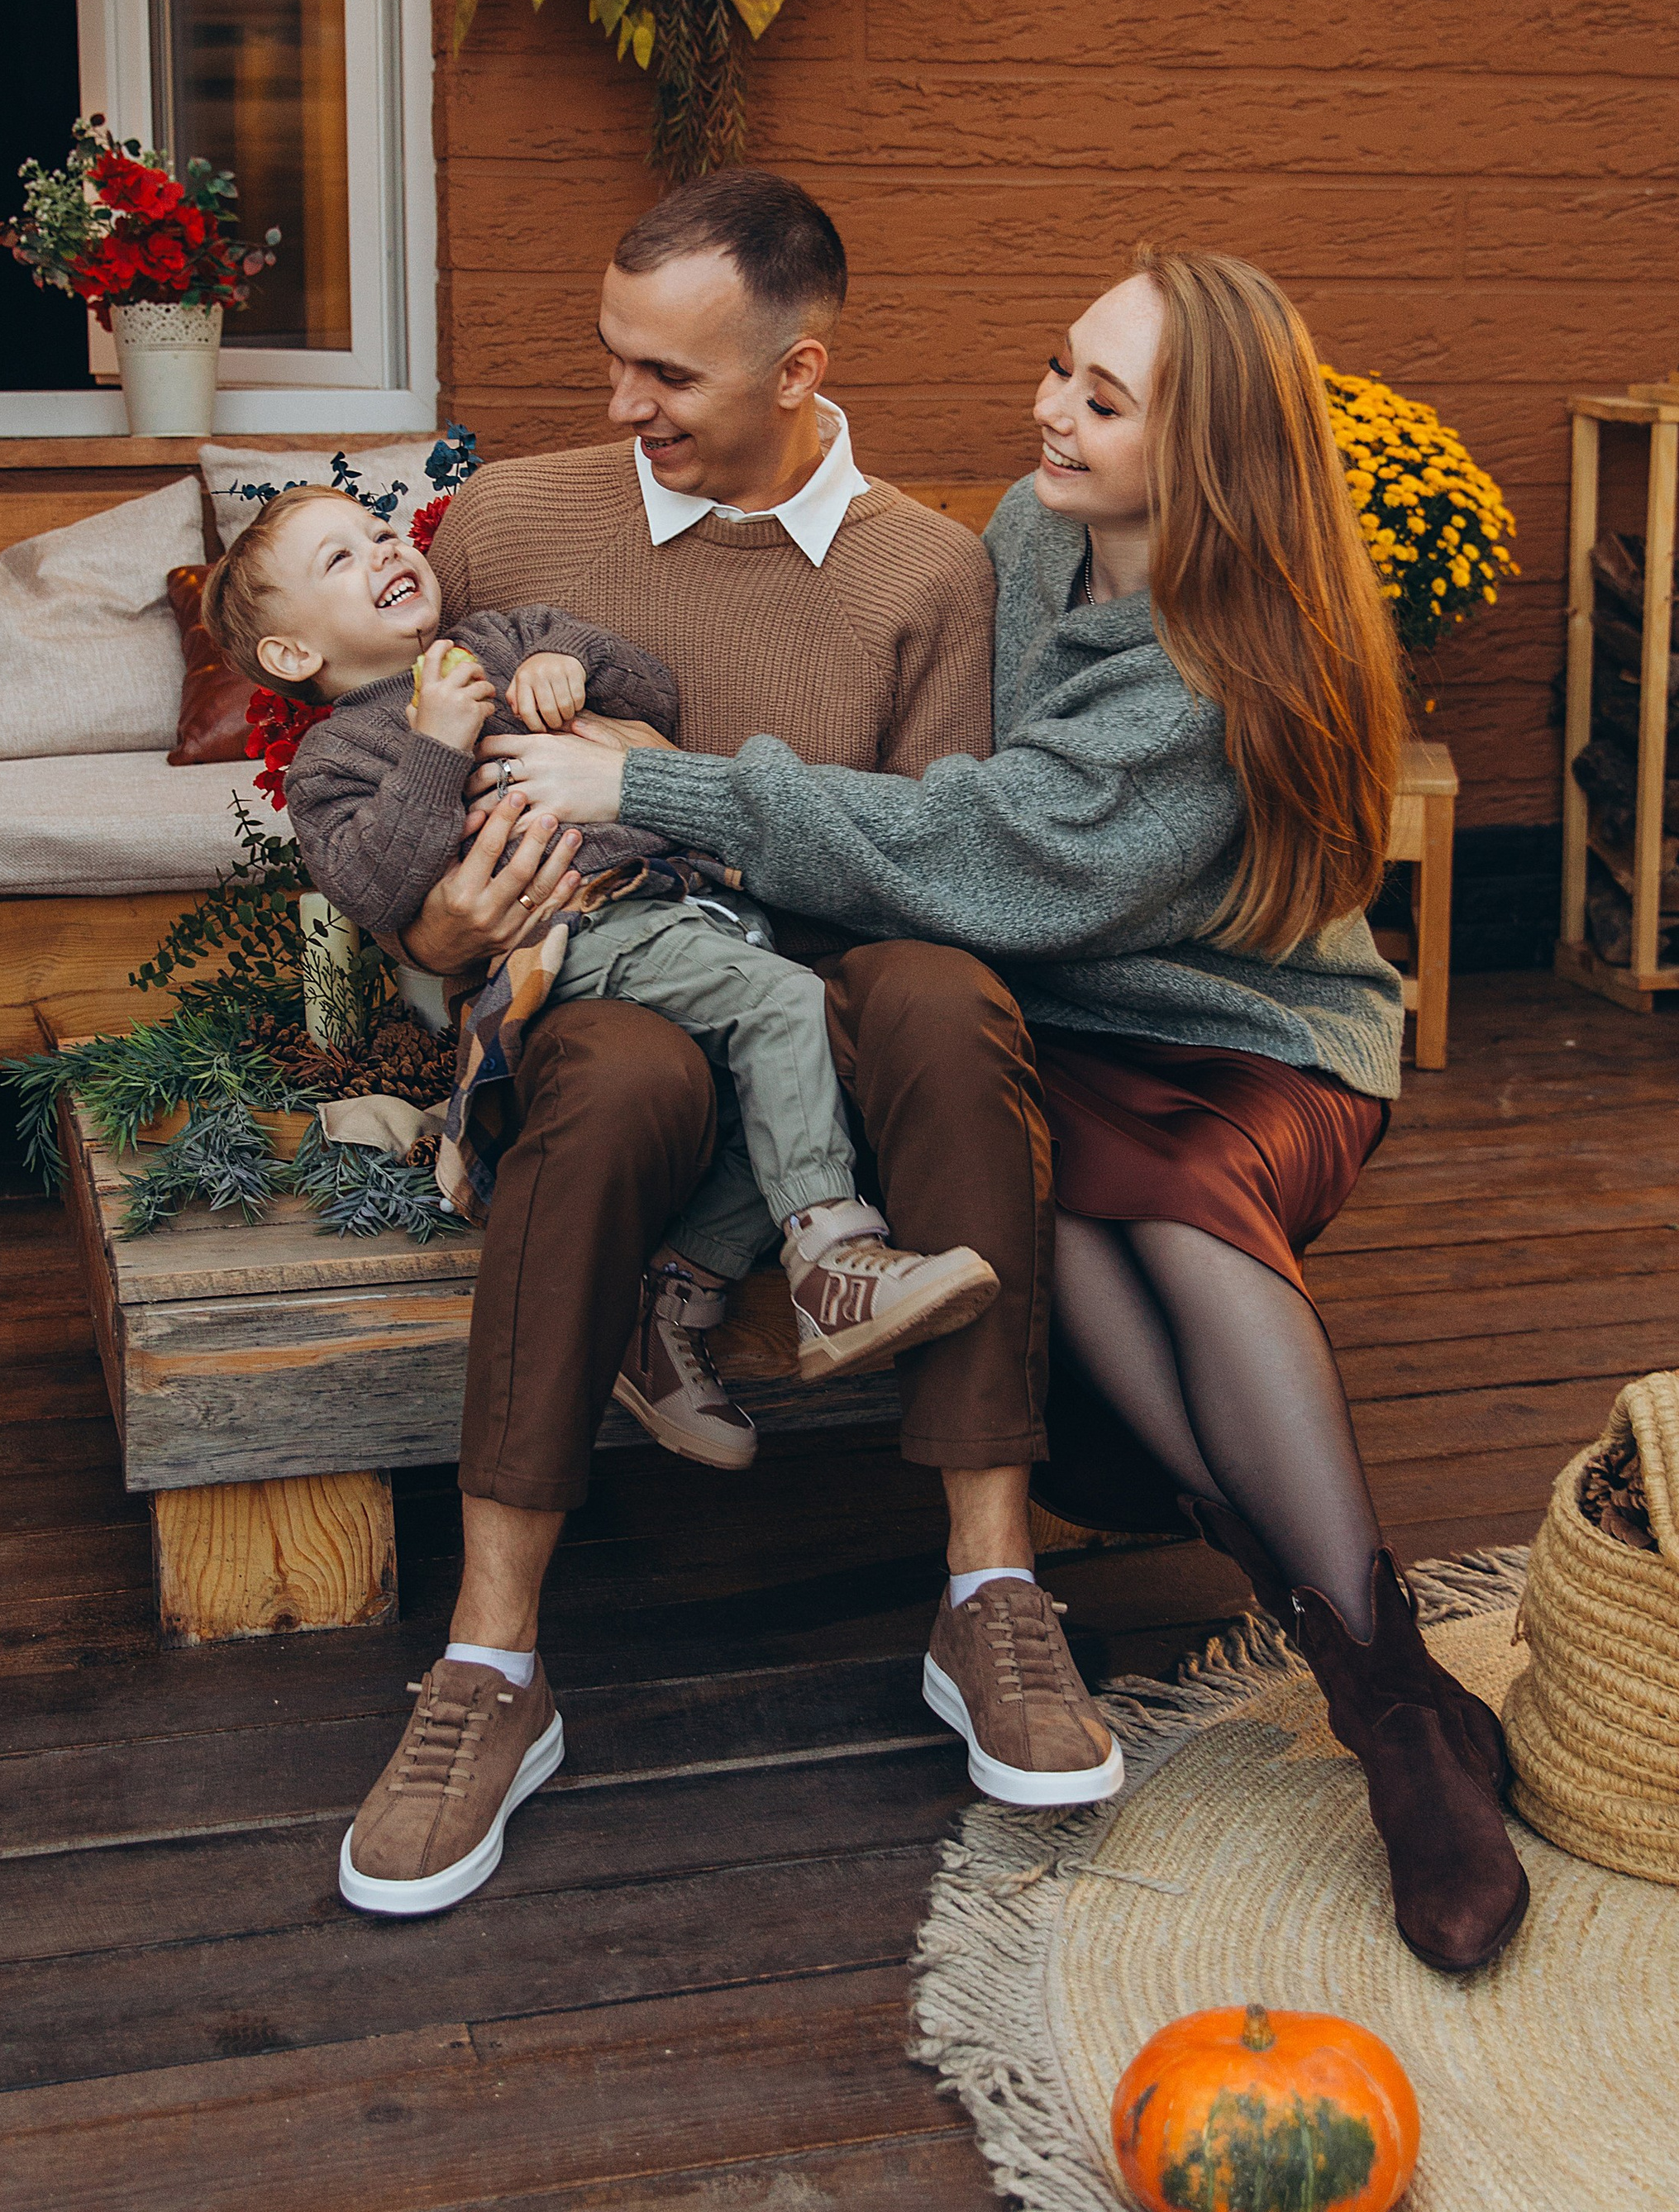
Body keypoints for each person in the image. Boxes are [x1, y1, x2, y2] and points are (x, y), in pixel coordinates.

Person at [488, 246, 1529, 1977]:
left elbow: (984, 846)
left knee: (1177, 1215)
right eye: (1059, 367)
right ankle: (1392, 1687)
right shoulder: (1030, 537)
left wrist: (642, 780)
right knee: (1050, 1198)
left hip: (1250, 1039)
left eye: (1100, 401)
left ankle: (1387, 1715)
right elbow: (938, 796)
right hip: (1065, 1022)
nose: (1047, 409)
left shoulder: (1219, 666)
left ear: (1204, 457)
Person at [325, 169, 1120, 1921]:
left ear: (797, 370)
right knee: (610, 1077)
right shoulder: (515, 529)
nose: (620, 407)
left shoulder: (925, 572)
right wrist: (437, 936)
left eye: (666, 379)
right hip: (610, 997)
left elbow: (944, 871)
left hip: (837, 1006)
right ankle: (489, 1664)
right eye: (611, 359)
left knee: (943, 995)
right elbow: (394, 828)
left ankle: (989, 1595)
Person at [201, 486, 995, 1427]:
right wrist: (436, 747)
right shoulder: (337, 761)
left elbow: (650, 688)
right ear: (295, 655)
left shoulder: (499, 636)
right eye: (338, 560)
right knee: (788, 1009)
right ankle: (831, 1264)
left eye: (378, 532)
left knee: (769, 1087)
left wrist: (565, 662)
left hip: (687, 907)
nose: (380, 553)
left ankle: (671, 1312)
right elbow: (375, 888)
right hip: (577, 930)